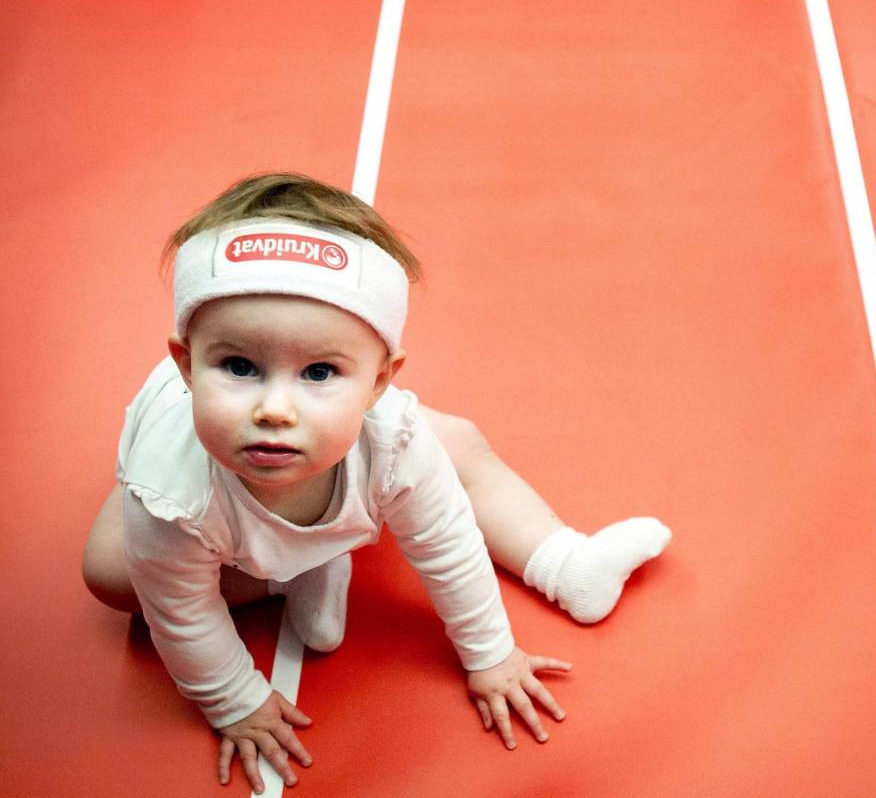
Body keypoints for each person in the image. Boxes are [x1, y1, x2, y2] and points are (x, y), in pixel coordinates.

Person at [80, 172, 672, 795]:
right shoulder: (171, 495)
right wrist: (234, 699)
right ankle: (301, 568)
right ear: (185, 364)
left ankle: (562, 560)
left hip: (362, 456)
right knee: (118, 576)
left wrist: (491, 653)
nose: (275, 408)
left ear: (379, 382)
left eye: (318, 372)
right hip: (209, 522)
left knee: (459, 445)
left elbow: (447, 545)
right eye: (238, 366)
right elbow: (184, 613)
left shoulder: (393, 439)